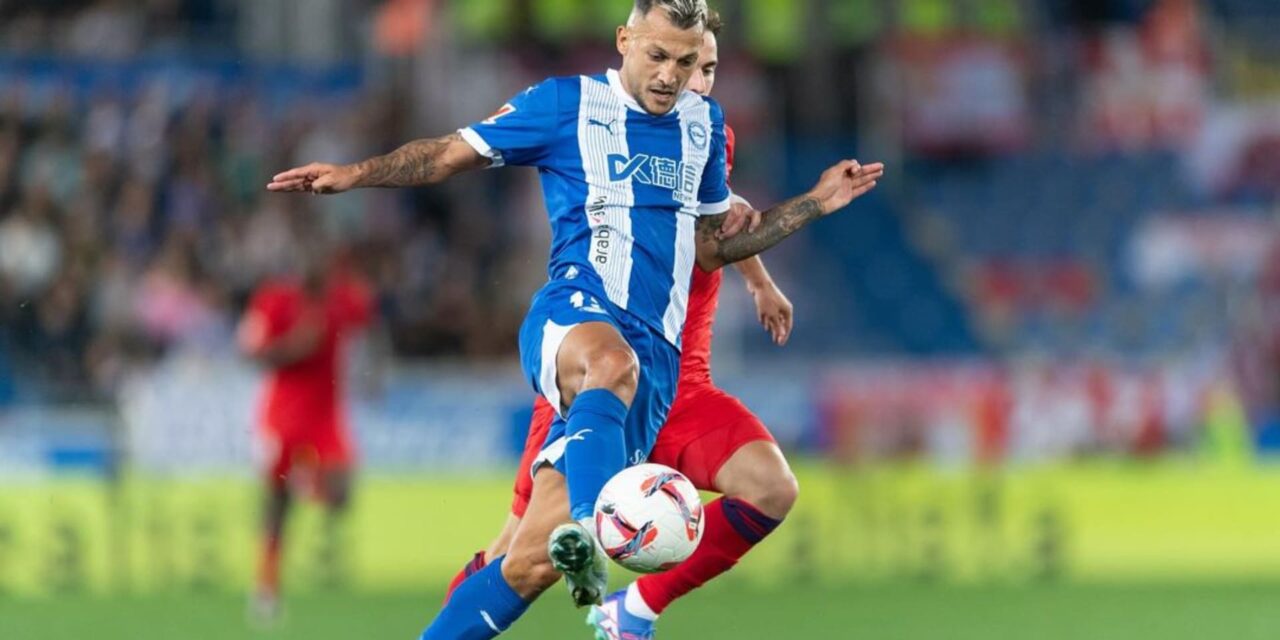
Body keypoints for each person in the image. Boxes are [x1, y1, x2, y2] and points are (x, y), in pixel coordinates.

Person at [267, 1, 883, 636]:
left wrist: (812, 204)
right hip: (574, 317)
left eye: (688, 61)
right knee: (611, 364)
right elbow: (452, 153)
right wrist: (354, 174)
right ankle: (595, 530)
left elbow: (711, 243)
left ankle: (581, 573)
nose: (673, 75)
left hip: (653, 371)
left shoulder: (703, 126)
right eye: (658, 56)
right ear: (624, 41)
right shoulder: (564, 105)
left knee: (525, 565)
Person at [442, 13, 804, 640]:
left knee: (772, 487)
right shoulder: (612, 129)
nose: (691, 81)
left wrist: (761, 281)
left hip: (679, 385)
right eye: (680, 63)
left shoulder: (702, 139)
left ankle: (633, 607)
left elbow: (723, 225)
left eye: (705, 69)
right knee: (521, 556)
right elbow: (715, 236)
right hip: (604, 375)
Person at [237, 244, 373, 622]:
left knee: (341, 492)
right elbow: (249, 350)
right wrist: (293, 346)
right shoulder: (274, 300)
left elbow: (368, 324)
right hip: (282, 416)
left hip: (325, 417)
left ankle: (305, 479)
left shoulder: (341, 297)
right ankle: (266, 588)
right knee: (276, 505)